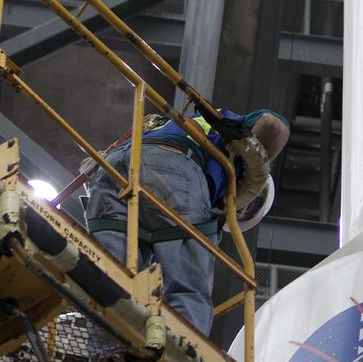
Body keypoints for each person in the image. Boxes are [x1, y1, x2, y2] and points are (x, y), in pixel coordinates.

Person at [85, 107, 290, 338]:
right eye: (246, 206)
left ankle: (110, 354)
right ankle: (180, 355)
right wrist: (253, 172)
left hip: (112, 168)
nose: (236, 212)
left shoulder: (168, 125)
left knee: (113, 276)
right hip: (175, 165)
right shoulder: (229, 134)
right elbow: (274, 126)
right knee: (189, 288)